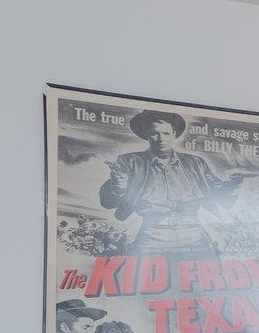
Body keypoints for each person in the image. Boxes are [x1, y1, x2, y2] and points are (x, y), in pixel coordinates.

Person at [99, 108, 250, 252]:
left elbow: (221, 196)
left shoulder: (195, 163)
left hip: (194, 236)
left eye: (166, 133)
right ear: (147, 134)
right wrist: (118, 186)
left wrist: (233, 185)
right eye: (154, 133)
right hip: (152, 237)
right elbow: (107, 202)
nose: (161, 139)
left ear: (174, 134)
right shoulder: (131, 162)